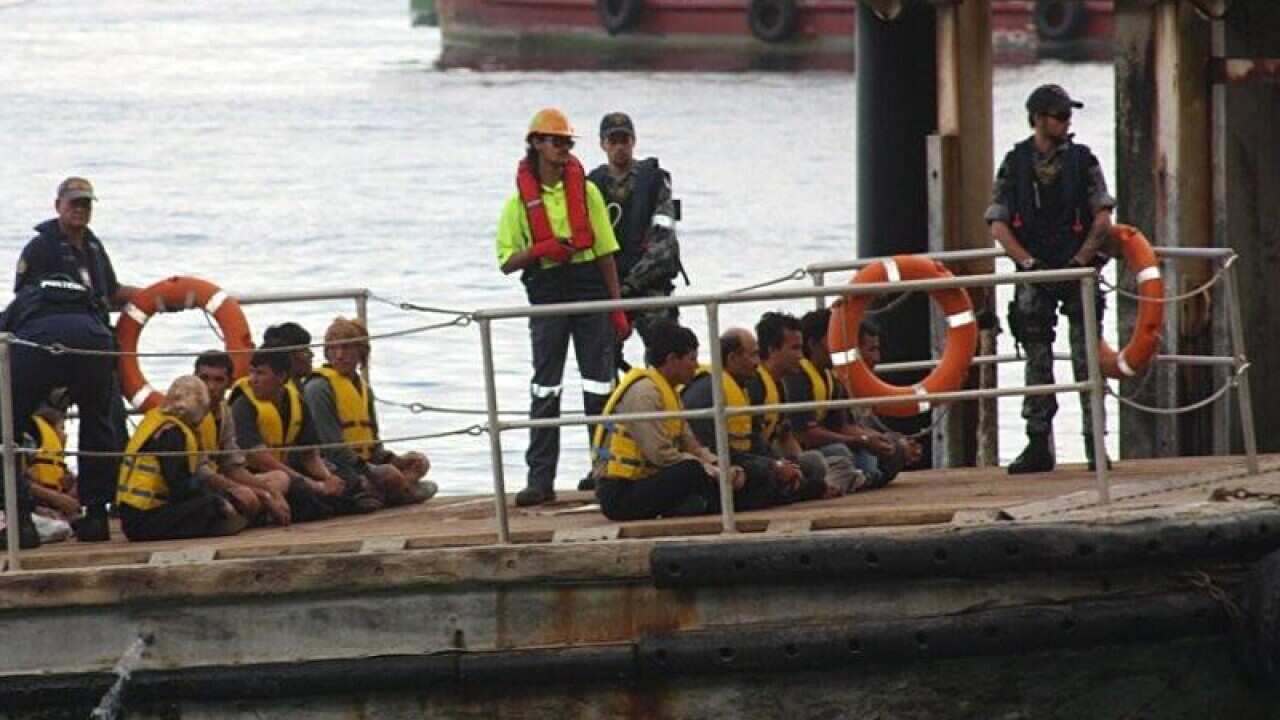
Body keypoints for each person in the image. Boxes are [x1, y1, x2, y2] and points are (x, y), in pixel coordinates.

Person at [495, 108, 630, 507]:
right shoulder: (518, 203)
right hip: (548, 290)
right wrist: (541, 249)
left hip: (589, 287)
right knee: (546, 387)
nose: (564, 149)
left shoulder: (586, 191)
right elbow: (506, 260)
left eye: (568, 143)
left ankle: (605, 472)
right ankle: (540, 479)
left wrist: (617, 307)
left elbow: (605, 250)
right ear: (536, 142)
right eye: (557, 141)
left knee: (600, 385)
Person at [987, 84, 1116, 474]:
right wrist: (1028, 265)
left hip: (1078, 270)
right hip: (1036, 272)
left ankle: (1096, 447)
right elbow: (997, 223)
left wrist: (1081, 259)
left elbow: (1103, 217)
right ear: (1038, 119)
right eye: (1059, 115)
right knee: (1037, 360)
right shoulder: (1015, 163)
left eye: (1067, 115)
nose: (1066, 121)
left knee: (1086, 362)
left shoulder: (1084, 160)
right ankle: (1037, 444)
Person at [0, 273, 118, 542]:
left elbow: (4, 333)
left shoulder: (28, 296)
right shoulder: (88, 296)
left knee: (8, 428)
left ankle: (21, 522)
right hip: (93, 339)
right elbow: (106, 325)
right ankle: (98, 516)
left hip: (36, 341)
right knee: (97, 424)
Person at [591, 320, 742, 521]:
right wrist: (707, 470)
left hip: (646, 481)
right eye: (692, 359)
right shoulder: (644, 393)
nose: (696, 367)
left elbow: (691, 445)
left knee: (734, 475)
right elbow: (659, 454)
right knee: (692, 471)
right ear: (672, 359)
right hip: (620, 491)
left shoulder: (670, 393)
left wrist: (719, 465)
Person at [681, 328, 827, 510]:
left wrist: (778, 463)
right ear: (733, 358)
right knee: (763, 476)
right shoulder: (707, 393)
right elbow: (713, 448)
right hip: (718, 465)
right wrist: (772, 466)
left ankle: (794, 488)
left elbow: (754, 440)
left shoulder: (743, 388)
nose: (758, 362)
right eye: (753, 355)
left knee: (805, 466)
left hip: (742, 459)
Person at [303, 317, 437, 506]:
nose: (339, 355)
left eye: (347, 348)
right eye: (333, 348)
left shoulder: (363, 388)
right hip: (335, 467)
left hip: (364, 463)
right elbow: (331, 448)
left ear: (361, 352)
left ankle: (389, 490)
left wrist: (395, 460)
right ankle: (393, 491)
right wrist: (370, 470)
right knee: (388, 476)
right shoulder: (318, 388)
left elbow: (373, 443)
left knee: (419, 462)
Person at [586, 112, 683, 365]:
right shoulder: (591, 186)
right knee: (601, 358)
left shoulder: (654, 181)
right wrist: (614, 290)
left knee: (668, 352)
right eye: (613, 140)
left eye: (624, 140)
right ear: (603, 144)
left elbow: (665, 244)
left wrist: (630, 285)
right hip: (610, 290)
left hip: (648, 287)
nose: (619, 147)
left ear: (633, 141)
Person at [228, 348, 370, 520]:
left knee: (346, 478)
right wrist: (313, 484)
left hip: (287, 468)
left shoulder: (297, 402)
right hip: (259, 475)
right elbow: (261, 459)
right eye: (252, 372)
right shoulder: (243, 406)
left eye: (260, 374)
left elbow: (309, 455)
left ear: (281, 377)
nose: (253, 380)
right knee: (297, 488)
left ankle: (341, 501)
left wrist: (328, 477)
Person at [116, 376, 249, 541]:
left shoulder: (157, 421)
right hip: (145, 518)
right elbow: (180, 486)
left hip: (134, 514)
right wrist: (217, 498)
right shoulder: (173, 434)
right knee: (211, 506)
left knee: (212, 501)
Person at [784, 309, 902, 492]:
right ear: (814, 344)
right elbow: (806, 434)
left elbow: (839, 424)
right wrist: (859, 441)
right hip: (807, 450)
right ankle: (844, 482)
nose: (840, 344)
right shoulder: (799, 378)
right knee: (841, 452)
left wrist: (871, 438)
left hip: (830, 445)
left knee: (892, 446)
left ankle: (860, 478)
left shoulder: (829, 377)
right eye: (833, 338)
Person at [746, 311, 858, 497]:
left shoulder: (780, 384)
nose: (800, 355)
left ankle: (813, 485)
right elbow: (753, 443)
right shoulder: (756, 385)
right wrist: (781, 464)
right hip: (758, 461)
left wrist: (799, 461)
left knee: (818, 462)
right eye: (795, 349)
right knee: (822, 461)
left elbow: (786, 436)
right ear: (773, 349)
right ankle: (814, 487)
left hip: (776, 458)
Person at [193, 351, 293, 526]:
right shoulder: (188, 414)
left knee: (280, 479)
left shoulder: (225, 413)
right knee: (248, 496)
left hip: (219, 479)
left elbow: (232, 466)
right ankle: (252, 513)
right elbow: (200, 472)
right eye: (204, 378)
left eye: (218, 380)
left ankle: (253, 512)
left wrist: (271, 492)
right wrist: (257, 492)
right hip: (197, 485)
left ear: (229, 383)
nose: (210, 386)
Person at [849, 320, 924, 476]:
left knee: (895, 448)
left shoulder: (864, 385)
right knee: (884, 456)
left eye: (878, 350)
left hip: (861, 442)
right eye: (872, 350)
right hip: (849, 447)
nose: (877, 358)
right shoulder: (841, 383)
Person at [24, 398, 80, 523]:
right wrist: (57, 498)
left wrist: (72, 487)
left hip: (54, 510)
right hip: (32, 506)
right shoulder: (31, 444)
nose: (65, 435)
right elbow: (21, 481)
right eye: (62, 428)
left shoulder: (59, 459)